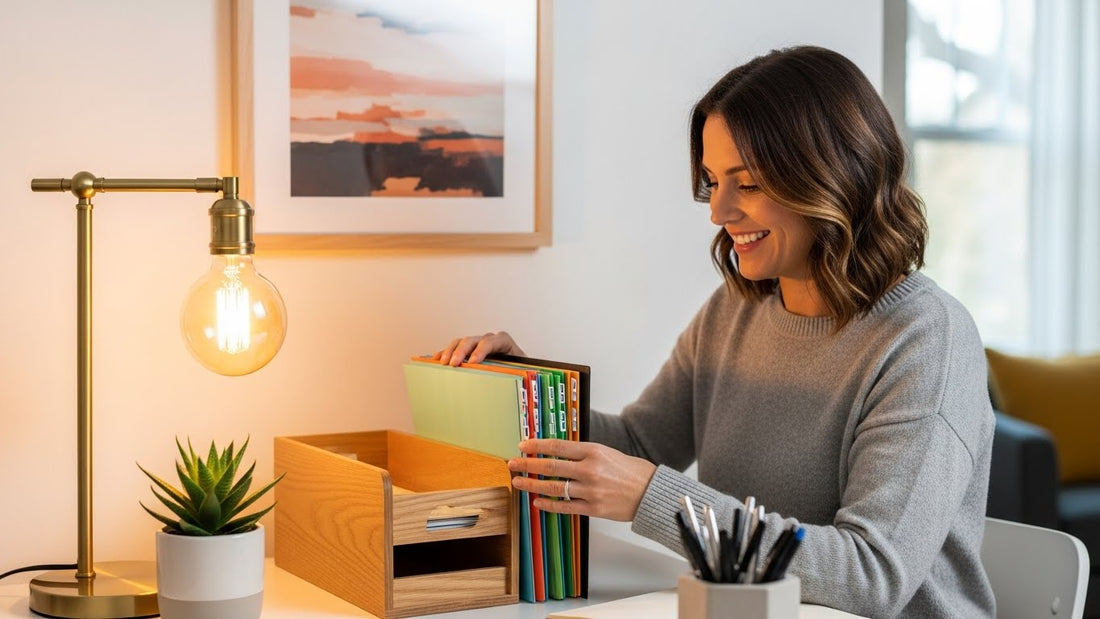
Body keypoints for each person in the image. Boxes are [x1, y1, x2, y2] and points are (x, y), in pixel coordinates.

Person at [435, 46, 995, 618]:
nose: (717, 210)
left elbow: (868, 577)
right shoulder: (737, 310)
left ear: (831, 178)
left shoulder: (926, 340)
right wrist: (529, 388)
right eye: (711, 180)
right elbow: (641, 446)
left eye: (746, 184)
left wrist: (655, 499)